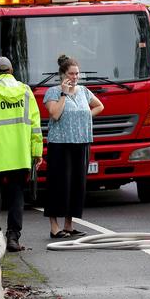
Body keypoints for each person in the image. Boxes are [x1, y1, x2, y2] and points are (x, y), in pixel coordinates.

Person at [0, 57, 43, 252]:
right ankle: (13, 238)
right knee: (16, 196)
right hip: (20, 156)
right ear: (12, 71)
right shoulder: (26, 92)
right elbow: (35, 126)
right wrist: (36, 152)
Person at [43, 55, 104, 238]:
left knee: (77, 184)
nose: (75, 77)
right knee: (58, 184)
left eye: (77, 73)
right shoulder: (53, 92)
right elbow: (54, 114)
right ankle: (54, 226)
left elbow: (100, 106)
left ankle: (69, 225)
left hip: (82, 142)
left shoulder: (84, 91)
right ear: (63, 74)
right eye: (71, 73)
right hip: (60, 144)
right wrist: (64, 93)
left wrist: (84, 118)